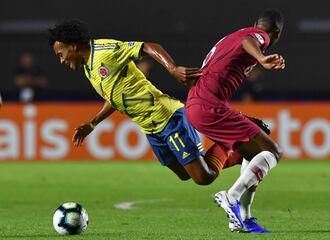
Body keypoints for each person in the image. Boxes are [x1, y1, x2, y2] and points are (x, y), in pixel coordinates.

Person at [47, 19, 255, 186]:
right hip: (150, 128)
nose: (61, 60)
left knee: (204, 178)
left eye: (61, 54)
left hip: (167, 117)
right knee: (184, 174)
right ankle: (231, 149)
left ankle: (229, 144)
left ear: (73, 46)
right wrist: (93, 123)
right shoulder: (88, 67)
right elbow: (115, 96)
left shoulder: (104, 51)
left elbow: (148, 47)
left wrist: (172, 69)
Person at [181, 9, 285, 233]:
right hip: (209, 106)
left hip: (199, 103)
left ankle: (243, 218)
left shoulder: (230, 37)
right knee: (273, 151)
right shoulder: (259, 36)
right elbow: (251, 40)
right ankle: (231, 197)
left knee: (256, 154)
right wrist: (262, 58)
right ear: (276, 33)